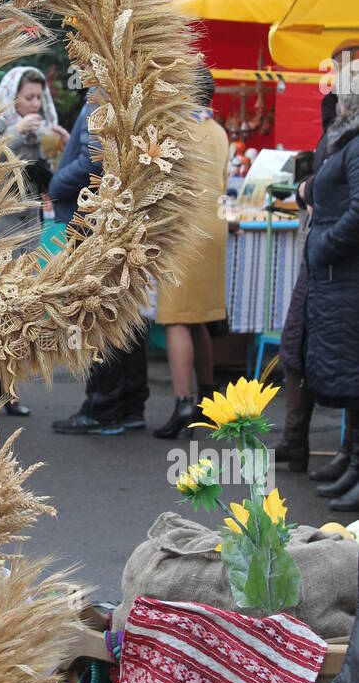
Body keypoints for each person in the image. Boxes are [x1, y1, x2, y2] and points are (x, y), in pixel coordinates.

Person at [49, 96, 150, 435]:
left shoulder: (102, 95)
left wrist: (58, 184)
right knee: (125, 306)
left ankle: (103, 406)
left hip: (95, 219)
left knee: (100, 308)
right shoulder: (130, 88)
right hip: (123, 219)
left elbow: (96, 159)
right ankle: (131, 403)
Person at [0, 66, 69, 416]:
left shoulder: (45, 126)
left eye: (39, 97)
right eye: (28, 97)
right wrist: (15, 132)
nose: (35, 104)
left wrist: (62, 146)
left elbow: (54, 176)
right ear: (12, 97)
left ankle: (8, 389)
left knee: (20, 311)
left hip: (30, 226)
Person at [153, 66, 229, 439]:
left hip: (183, 231)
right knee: (199, 317)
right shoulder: (219, 133)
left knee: (176, 318)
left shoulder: (176, 130)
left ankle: (183, 401)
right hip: (214, 231)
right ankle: (207, 399)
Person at [272, 90, 339, 472]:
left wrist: (307, 190)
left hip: (330, 260)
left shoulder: (341, 135)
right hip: (322, 258)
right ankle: (296, 440)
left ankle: (344, 454)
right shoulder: (337, 133)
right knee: (297, 344)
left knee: (317, 350)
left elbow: (333, 184)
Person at [304, 89, 359, 510]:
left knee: (354, 376)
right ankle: (352, 463)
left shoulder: (355, 144)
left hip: (345, 275)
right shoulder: (347, 141)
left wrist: (322, 244)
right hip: (339, 277)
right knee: (351, 379)